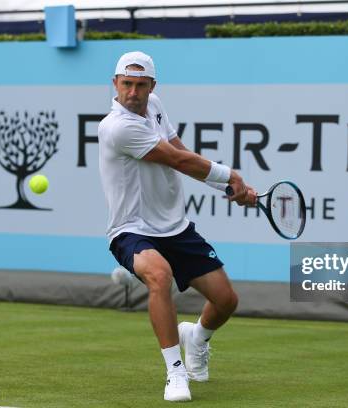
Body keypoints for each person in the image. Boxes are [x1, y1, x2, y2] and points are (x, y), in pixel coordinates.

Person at [98, 51, 257, 402]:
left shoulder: (154, 104)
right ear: (115, 84)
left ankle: (196, 338)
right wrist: (229, 175)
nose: (133, 92)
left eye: (141, 85)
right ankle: (175, 372)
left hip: (175, 226)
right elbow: (175, 160)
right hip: (131, 227)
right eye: (127, 84)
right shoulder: (117, 126)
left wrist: (227, 188)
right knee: (159, 275)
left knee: (226, 301)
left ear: (152, 85)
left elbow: (178, 148)